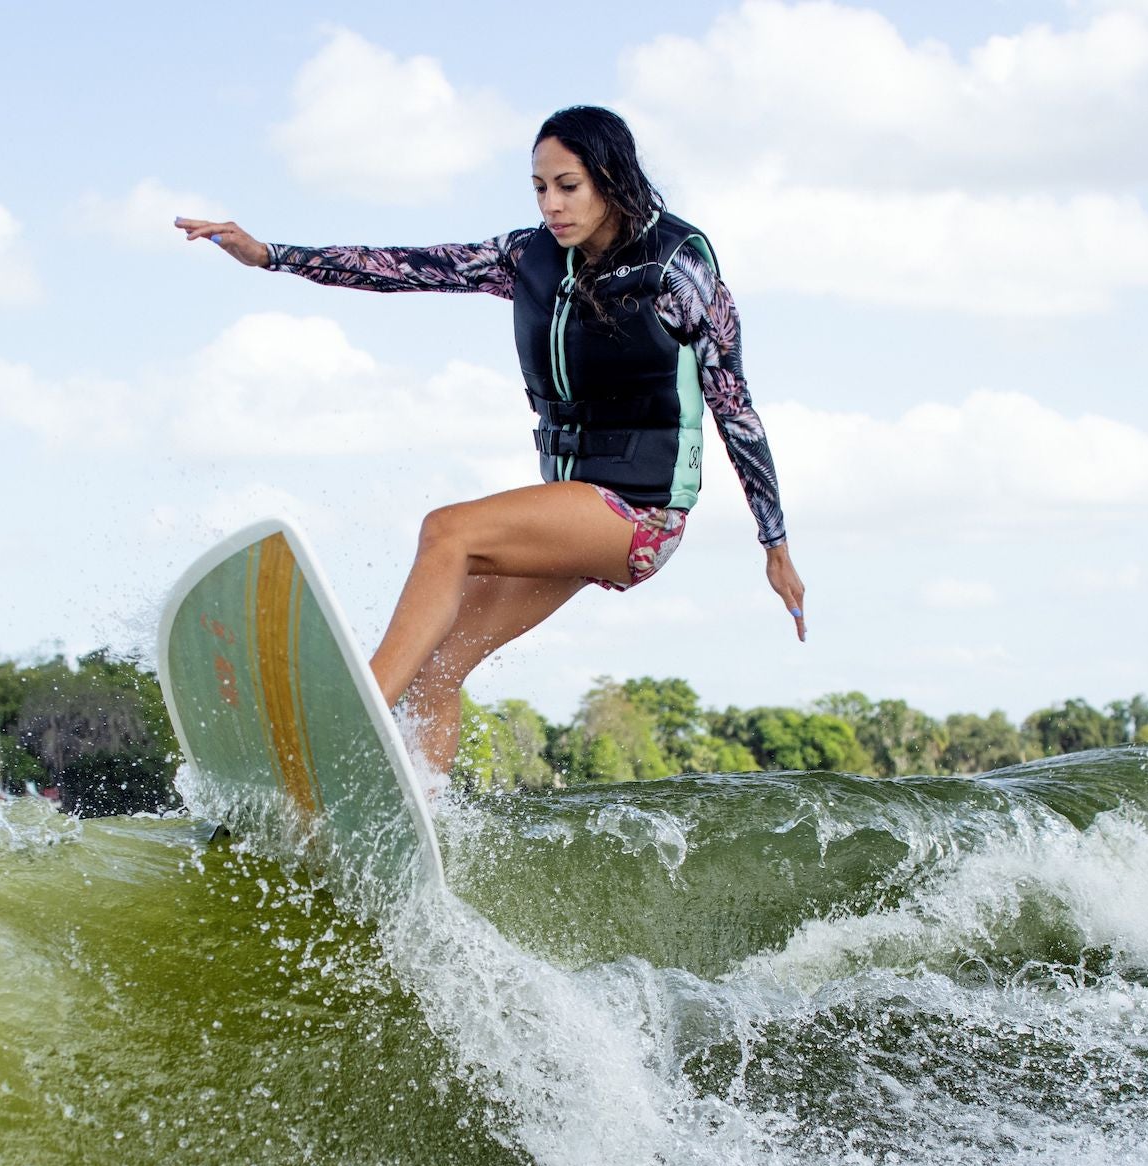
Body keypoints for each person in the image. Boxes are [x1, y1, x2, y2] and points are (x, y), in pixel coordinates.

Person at [177, 104, 802, 776]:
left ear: (611, 179)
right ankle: (423, 822)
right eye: (540, 187)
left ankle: (349, 728)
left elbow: (733, 404)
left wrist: (775, 545)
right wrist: (270, 255)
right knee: (437, 671)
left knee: (448, 532)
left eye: (569, 185)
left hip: (641, 512)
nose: (552, 204)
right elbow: (401, 266)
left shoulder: (679, 268)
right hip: (572, 506)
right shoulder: (525, 257)